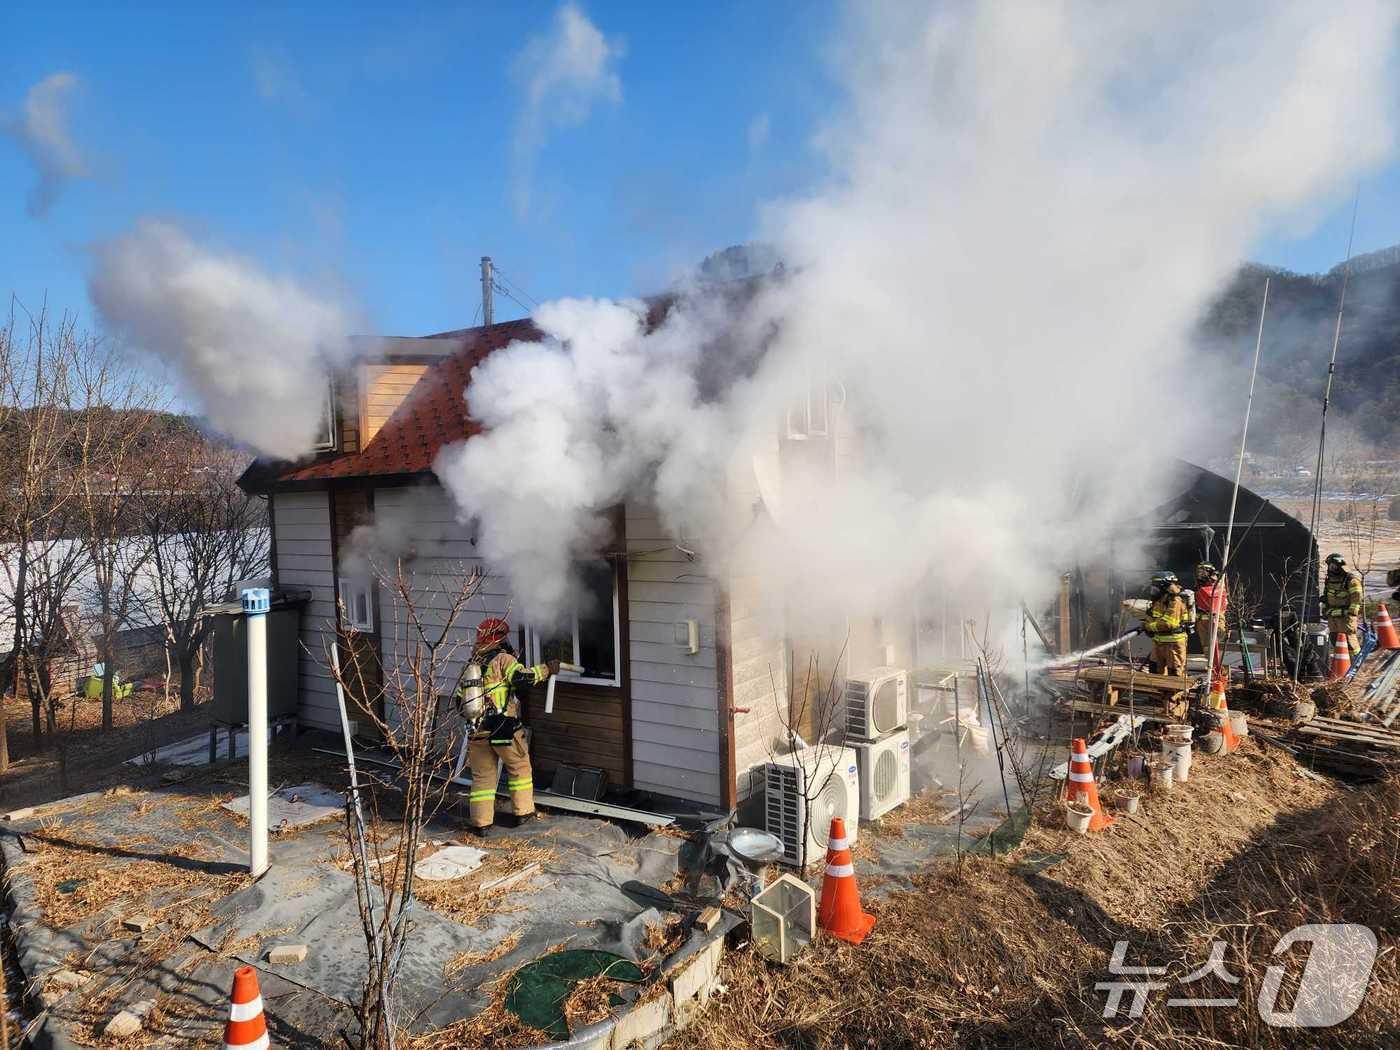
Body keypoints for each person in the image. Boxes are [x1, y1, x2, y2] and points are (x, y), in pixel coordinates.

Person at [452, 617, 557, 837]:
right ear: (500, 637)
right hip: (504, 728)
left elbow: (459, 704)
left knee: (482, 777)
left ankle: (481, 824)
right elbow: (522, 679)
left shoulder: (471, 665)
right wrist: (547, 669)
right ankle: (524, 814)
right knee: (519, 769)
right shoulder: (503, 660)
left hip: (477, 731)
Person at [1142, 571, 1194, 676]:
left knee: (1174, 675)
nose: (1153, 590)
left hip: (1174, 644)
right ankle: (1160, 692)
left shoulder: (1176, 601)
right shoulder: (1159, 600)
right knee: (1155, 671)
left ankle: (1175, 692)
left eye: (1156, 587)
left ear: (1164, 587)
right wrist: (1147, 623)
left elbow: (1169, 623)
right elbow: (1152, 617)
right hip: (1158, 643)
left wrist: (1148, 627)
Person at [1322, 553, 1363, 660]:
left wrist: (1351, 613)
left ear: (1340, 566)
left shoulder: (1351, 580)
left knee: (1349, 640)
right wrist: (1324, 610)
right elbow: (1327, 596)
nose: (1331, 568)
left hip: (1346, 617)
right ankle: (1342, 665)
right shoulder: (1329, 579)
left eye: (1334, 566)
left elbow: (1357, 598)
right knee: (1335, 639)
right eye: (1330, 566)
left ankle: (1356, 662)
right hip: (1333, 616)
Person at [1194, 562, 1228, 669]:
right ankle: (1212, 667)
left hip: (1215, 618)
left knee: (1218, 645)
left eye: (1202, 572)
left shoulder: (1216, 584)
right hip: (1202, 620)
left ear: (1209, 572)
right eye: (1199, 572)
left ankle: (1220, 669)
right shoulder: (1200, 584)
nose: (1200, 575)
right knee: (1207, 647)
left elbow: (1218, 600)